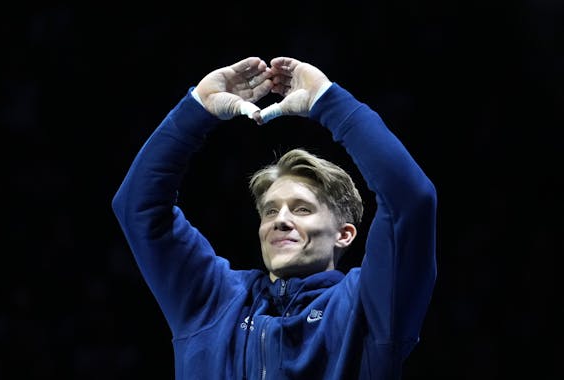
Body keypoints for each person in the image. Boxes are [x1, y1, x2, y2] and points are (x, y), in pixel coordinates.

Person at [112, 56, 437, 379]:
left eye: (302, 209)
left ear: (345, 234)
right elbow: (139, 207)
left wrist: (329, 103)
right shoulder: (215, 299)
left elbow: (410, 200)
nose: (280, 220)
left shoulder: (367, 307)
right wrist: (197, 109)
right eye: (270, 210)